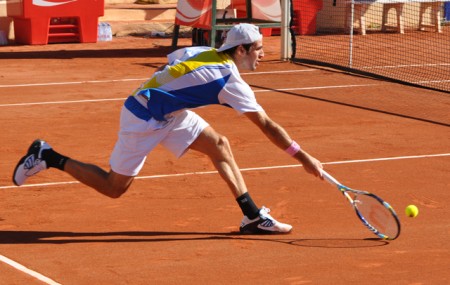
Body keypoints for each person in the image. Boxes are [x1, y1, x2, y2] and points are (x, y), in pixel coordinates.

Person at [12, 23, 323, 234]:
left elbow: (169, 65)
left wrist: (170, 98)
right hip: (143, 118)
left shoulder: (205, 52)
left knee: (219, 145)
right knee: (113, 188)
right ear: (240, 50)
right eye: (257, 48)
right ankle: (49, 156)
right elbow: (265, 125)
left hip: (167, 112)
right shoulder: (229, 80)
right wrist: (304, 157)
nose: (263, 54)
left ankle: (252, 216)